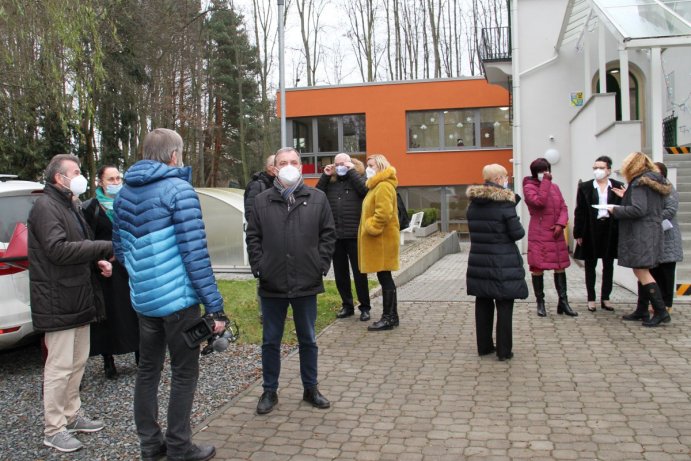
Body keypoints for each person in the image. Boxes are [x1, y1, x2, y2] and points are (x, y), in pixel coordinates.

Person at [113, 128, 227, 461]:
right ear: (174, 155)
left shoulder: (122, 194)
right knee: (184, 371)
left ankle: (150, 445)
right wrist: (215, 306)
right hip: (179, 302)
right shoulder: (179, 190)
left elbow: (120, 252)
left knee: (148, 370)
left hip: (144, 302)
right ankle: (179, 446)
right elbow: (195, 255)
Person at [28, 154, 113, 453]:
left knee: (77, 362)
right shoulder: (45, 207)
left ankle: (72, 414)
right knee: (59, 366)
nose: (81, 176)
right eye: (75, 172)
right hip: (58, 299)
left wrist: (96, 261)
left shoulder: (70, 205)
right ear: (58, 178)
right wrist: (104, 247)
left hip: (78, 296)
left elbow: (77, 247)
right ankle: (54, 428)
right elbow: (57, 250)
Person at [245, 147, 336, 415]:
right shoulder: (262, 200)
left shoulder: (318, 198)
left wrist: (320, 265)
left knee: (308, 338)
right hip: (272, 282)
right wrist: (260, 267)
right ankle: (269, 391)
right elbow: (253, 237)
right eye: (282, 162)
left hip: (306, 281)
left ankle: (311, 388)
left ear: (301, 166)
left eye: (293, 162)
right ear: (274, 167)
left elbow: (328, 235)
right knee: (270, 340)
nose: (288, 166)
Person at [466, 164, 528, 361]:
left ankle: (484, 347)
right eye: (506, 177)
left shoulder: (474, 203)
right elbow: (517, 233)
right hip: (502, 262)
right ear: (500, 179)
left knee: (483, 303)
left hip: (479, 260)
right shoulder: (504, 204)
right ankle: (504, 350)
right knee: (504, 305)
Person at [83, 165, 140, 379]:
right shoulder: (91, 208)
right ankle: (108, 359)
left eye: (118, 178)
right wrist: (100, 256)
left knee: (133, 312)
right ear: (100, 182)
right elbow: (86, 237)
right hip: (105, 269)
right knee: (109, 315)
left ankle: (140, 353)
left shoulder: (128, 204)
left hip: (129, 266)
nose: (115, 182)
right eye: (111, 179)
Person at [609, 152, 672, 327]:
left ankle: (660, 311)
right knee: (641, 269)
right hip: (651, 230)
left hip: (640, 232)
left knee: (642, 271)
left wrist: (615, 210)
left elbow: (638, 209)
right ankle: (642, 309)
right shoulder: (655, 182)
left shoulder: (638, 183)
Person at [316, 153, 371, 321]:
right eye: (337, 164)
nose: (340, 166)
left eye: (343, 163)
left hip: (354, 234)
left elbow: (365, 191)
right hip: (336, 236)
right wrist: (325, 176)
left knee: (359, 273)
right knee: (341, 274)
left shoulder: (358, 178)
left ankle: (365, 307)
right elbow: (317, 195)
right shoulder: (330, 182)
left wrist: (352, 171)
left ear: (350, 163)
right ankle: (347, 305)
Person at [523, 157, 578, 317]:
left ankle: (563, 302)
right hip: (539, 234)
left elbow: (563, 207)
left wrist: (561, 224)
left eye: (547, 170)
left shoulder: (555, 187)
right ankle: (540, 303)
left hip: (555, 233)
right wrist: (546, 182)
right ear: (535, 173)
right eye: (541, 171)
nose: (545, 173)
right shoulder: (529, 187)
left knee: (559, 266)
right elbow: (539, 202)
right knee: (538, 268)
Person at [573, 156, 624, 312]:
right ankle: (591, 299)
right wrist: (578, 233)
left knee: (608, 264)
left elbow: (624, 207)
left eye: (601, 168)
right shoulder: (585, 187)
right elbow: (580, 211)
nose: (598, 171)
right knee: (590, 265)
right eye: (595, 167)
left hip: (609, 229)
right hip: (591, 229)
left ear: (608, 170)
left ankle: (606, 298)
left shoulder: (617, 186)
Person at [358, 154, 401, 331]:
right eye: (367, 165)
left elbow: (383, 214)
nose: (368, 168)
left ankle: (388, 317)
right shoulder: (376, 186)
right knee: (385, 277)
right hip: (381, 240)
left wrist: (370, 226)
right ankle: (392, 316)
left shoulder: (383, 186)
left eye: (371, 165)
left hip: (382, 240)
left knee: (385, 278)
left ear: (381, 166)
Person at [244, 155, 276, 321]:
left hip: (275, 239)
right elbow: (251, 213)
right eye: (277, 165)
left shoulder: (277, 184)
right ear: (270, 167)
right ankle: (264, 313)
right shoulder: (258, 185)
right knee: (263, 275)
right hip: (263, 238)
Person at [649, 162, 683, 313]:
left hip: (667, 236)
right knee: (655, 272)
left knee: (666, 273)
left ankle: (667, 304)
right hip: (653, 237)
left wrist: (650, 217)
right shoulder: (650, 189)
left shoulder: (669, 189)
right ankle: (657, 303)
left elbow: (670, 210)